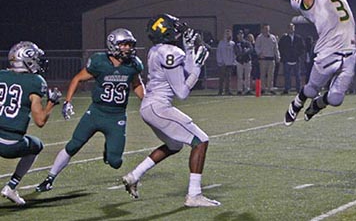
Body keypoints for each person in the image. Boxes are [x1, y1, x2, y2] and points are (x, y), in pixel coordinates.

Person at [121, 13, 219, 207]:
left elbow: (184, 70)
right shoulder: (170, 53)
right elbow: (182, 91)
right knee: (201, 141)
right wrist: (198, 66)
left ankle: (134, 176)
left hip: (150, 106)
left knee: (174, 145)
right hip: (159, 107)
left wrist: (190, 49)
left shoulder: (157, 50)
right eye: (173, 28)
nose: (177, 31)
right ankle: (194, 195)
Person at [36, 28, 145, 193]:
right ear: (113, 45)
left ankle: (108, 150)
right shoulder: (99, 62)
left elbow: (136, 84)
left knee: (116, 162)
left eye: (129, 44)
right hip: (95, 113)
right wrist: (68, 102)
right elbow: (77, 78)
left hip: (116, 117)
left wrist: (147, 100)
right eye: (124, 44)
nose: (128, 48)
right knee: (73, 145)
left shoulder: (133, 64)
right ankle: (49, 178)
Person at [284, 0, 356, 126]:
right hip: (328, 52)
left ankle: (317, 105)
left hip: (349, 51)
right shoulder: (310, 1)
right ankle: (297, 103)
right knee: (311, 89)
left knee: (335, 99)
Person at [0, 42, 62, 205]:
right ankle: (11, 186)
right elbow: (40, 120)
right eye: (36, 58)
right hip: (10, 143)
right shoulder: (34, 81)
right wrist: (51, 102)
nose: (39, 62)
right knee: (36, 145)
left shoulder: (1, 75)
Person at [278, 23, 305, 94]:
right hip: (287, 60)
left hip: (296, 60)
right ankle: (287, 89)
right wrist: (284, 57)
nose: (291, 29)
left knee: (297, 75)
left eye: (292, 28)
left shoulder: (298, 38)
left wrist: (298, 55)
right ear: (287, 29)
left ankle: (298, 89)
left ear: (294, 29)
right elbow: (280, 48)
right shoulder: (284, 38)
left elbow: (302, 48)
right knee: (287, 75)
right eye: (289, 28)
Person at [255, 23, 280, 95]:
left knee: (270, 75)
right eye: (265, 29)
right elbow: (256, 47)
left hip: (271, 59)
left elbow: (276, 48)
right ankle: (262, 88)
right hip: (263, 59)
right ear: (262, 29)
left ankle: (270, 88)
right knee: (262, 74)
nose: (266, 30)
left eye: (268, 29)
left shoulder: (273, 37)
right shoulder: (259, 37)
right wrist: (259, 53)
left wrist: (277, 56)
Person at [216, 29, 235, 95]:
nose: (228, 35)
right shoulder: (221, 43)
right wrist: (220, 61)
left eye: (229, 34)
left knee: (228, 78)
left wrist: (233, 61)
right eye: (227, 34)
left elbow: (233, 53)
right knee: (222, 78)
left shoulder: (232, 43)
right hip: (223, 63)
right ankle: (220, 91)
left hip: (229, 63)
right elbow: (219, 53)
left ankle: (228, 90)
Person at [234, 30, 253, 95]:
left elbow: (251, 49)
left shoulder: (247, 43)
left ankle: (247, 89)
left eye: (241, 34)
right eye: (239, 34)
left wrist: (244, 52)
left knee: (247, 76)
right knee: (240, 76)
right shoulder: (236, 44)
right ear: (237, 36)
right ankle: (239, 89)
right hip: (239, 61)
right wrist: (241, 53)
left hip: (247, 61)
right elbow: (236, 52)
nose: (240, 35)